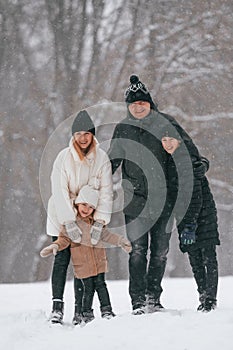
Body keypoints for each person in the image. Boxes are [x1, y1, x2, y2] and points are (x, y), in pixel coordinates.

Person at [107, 74, 209, 315]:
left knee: (161, 252)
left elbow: (190, 152)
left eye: (142, 103)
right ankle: (138, 301)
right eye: (134, 104)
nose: (138, 107)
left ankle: (153, 296)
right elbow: (111, 162)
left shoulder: (167, 123)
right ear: (128, 107)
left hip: (164, 201)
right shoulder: (123, 128)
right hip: (135, 202)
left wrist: (199, 166)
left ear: (150, 104)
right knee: (137, 250)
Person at [46, 110, 113, 323]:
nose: (83, 138)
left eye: (87, 134)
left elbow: (106, 191)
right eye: (79, 134)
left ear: (93, 135)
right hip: (62, 216)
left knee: (82, 265)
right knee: (62, 260)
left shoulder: (101, 159)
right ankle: (57, 306)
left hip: (88, 219)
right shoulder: (63, 158)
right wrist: (69, 220)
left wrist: (100, 222)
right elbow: (59, 189)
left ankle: (80, 309)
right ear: (73, 136)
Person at [41, 185, 132, 325]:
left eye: (90, 207)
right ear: (77, 204)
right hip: (82, 266)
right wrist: (55, 245)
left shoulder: (96, 224)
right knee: (87, 289)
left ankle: (107, 310)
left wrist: (120, 241)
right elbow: (63, 239)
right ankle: (86, 312)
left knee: (101, 286)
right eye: (84, 204)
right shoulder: (71, 225)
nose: (86, 209)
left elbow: (107, 236)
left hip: (99, 263)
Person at [161, 126, 220, 312]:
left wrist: (190, 225)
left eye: (172, 139)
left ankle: (210, 299)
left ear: (179, 141)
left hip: (202, 215)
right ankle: (203, 295)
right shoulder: (168, 161)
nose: (168, 144)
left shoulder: (186, 159)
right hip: (186, 218)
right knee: (195, 258)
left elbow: (195, 196)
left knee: (207, 256)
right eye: (164, 140)